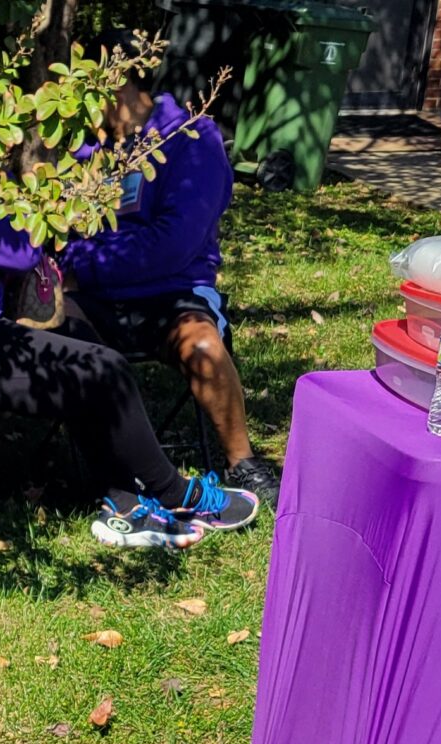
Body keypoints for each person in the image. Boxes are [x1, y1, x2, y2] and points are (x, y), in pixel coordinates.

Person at [0, 136, 260, 551]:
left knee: (79, 344)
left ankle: (125, 504)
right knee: (103, 372)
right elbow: (19, 248)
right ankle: (177, 495)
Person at [62, 84, 278, 504]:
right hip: (93, 296)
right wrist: (78, 266)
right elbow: (59, 237)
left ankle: (243, 463)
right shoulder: (81, 149)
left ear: (123, 84)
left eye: (93, 93)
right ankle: (115, 476)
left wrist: (84, 266)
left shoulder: (192, 138)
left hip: (171, 290)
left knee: (202, 346)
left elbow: (174, 244)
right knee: (63, 335)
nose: (84, 108)